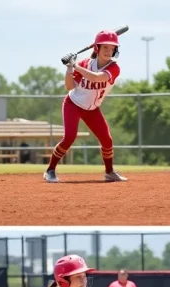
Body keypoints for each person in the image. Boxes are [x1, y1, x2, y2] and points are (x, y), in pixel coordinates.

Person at [44, 30, 127, 183]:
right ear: (97, 48)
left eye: (112, 48)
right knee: (69, 137)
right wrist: (69, 68)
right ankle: (50, 170)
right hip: (73, 104)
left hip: (92, 109)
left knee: (107, 140)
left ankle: (109, 172)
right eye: (105, 48)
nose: (109, 52)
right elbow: (69, 87)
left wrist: (75, 65)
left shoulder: (114, 68)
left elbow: (96, 78)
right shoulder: (85, 64)